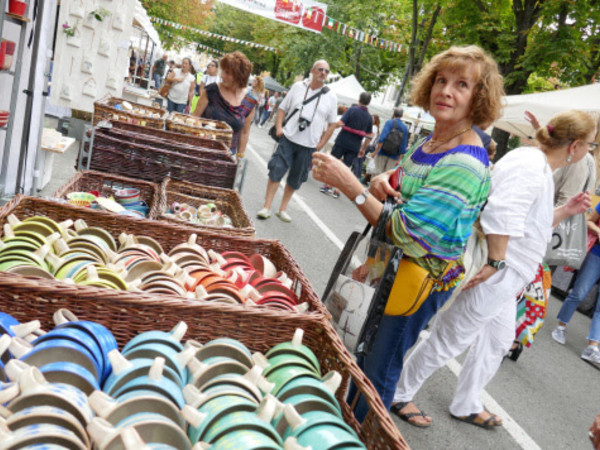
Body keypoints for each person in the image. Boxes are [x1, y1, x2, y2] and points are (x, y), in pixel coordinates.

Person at [311, 45, 504, 423]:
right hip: (390, 265)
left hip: (419, 277)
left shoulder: (465, 160)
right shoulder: (429, 141)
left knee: (378, 369)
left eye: (462, 85)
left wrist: (351, 185)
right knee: (360, 351)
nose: (446, 90)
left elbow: (408, 231)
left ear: (478, 98)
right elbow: (399, 183)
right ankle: (344, 421)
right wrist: (382, 179)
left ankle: (363, 433)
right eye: (441, 80)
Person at [392, 110, 595, 429]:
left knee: (497, 340)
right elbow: (501, 211)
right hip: (499, 268)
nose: (590, 153)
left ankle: (466, 402)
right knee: (452, 336)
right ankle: (399, 392)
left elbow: (529, 222)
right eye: (591, 146)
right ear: (575, 146)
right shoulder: (531, 164)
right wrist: (495, 262)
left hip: (507, 272)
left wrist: (565, 211)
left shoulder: (537, 165)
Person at [256, 60, 338, 223]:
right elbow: (282, 109)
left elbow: (332, 124)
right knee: (276, 169)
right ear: (313, 71)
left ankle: (283, 209)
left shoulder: (331, 97)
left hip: (309, 145)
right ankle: (266, 206)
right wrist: (279, 127)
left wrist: (320, 145)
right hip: (288, 137)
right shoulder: (298, 87)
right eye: (320, 70)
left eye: (327, 71)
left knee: (296, 177)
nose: (323, 73)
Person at [192, 51, 256, 157]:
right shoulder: (212, 90)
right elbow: (195, 117)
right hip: (202, 151)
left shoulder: (249, 102)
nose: (222, 76)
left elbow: (244, 133)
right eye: (223, 71)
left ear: (239, 76)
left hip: (226, 158)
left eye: (227, 73)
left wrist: (239, 157)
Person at [320, 92, 373, 198]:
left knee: (333, 162)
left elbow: (340, 123)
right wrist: (363, 148)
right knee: (345, 168)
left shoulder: (351, 110)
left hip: (342, 141)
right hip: (355, 145)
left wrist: (332, 128)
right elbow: (370, 135)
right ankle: (338, 190)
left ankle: (328, 186)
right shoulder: (369, 117)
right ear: (369, 103)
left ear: (359, 100)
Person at [370, 108, 409, 175]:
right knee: (386, 177)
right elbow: (403, 146)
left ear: (393, 114)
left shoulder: (389, 122)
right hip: (394, 157)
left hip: (382, 152)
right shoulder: (405, 128)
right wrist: (399, 159)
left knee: (376, 174)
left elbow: (382, 138)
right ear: (401, 116)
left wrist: (376, 151)